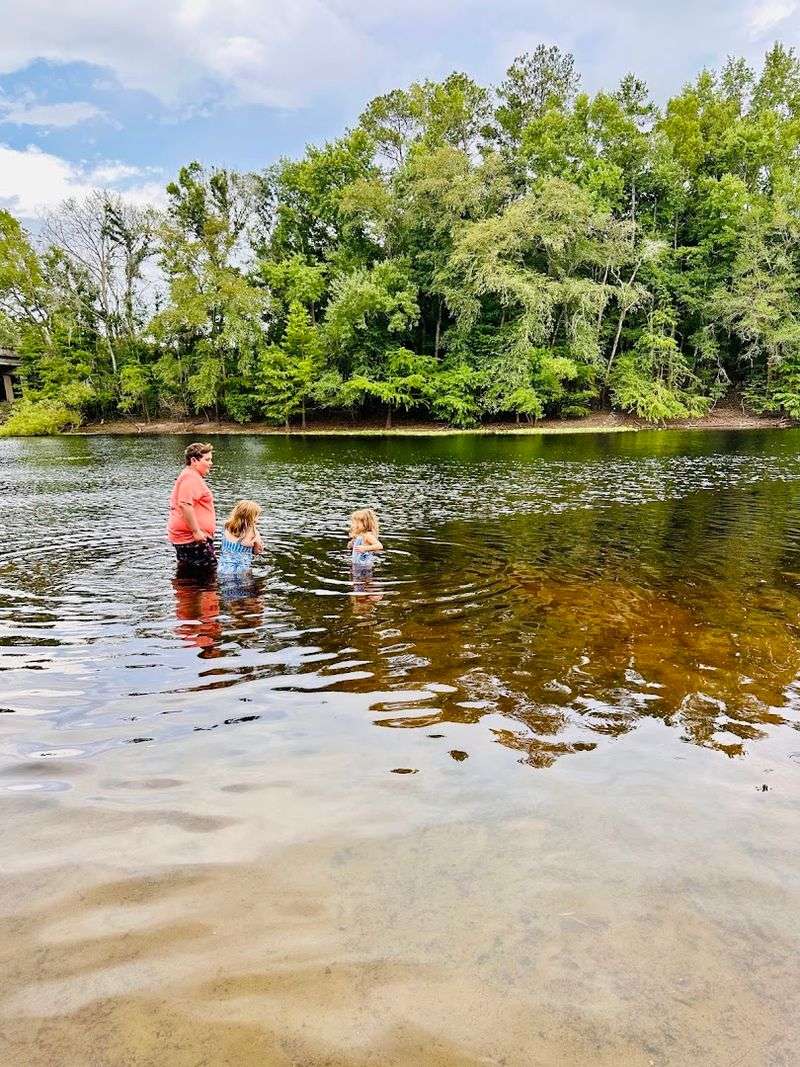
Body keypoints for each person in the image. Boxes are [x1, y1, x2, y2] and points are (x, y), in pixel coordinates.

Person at [167, 442, 216, 573]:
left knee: (189, 576)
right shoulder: (190, 477)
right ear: (194, 460)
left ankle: (186, 593)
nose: (211, 463)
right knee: (207, 576)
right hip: (192, 539)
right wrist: (196, 531)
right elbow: (184, 504)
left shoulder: (190, 476)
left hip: (188, 538)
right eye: (207, 460)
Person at [218, 500, 263, 575]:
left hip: (222, 568)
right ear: (252, 518)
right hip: (241, 571)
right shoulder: (253, 533)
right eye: (257, 516)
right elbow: (257, 551)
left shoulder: (226, 526)